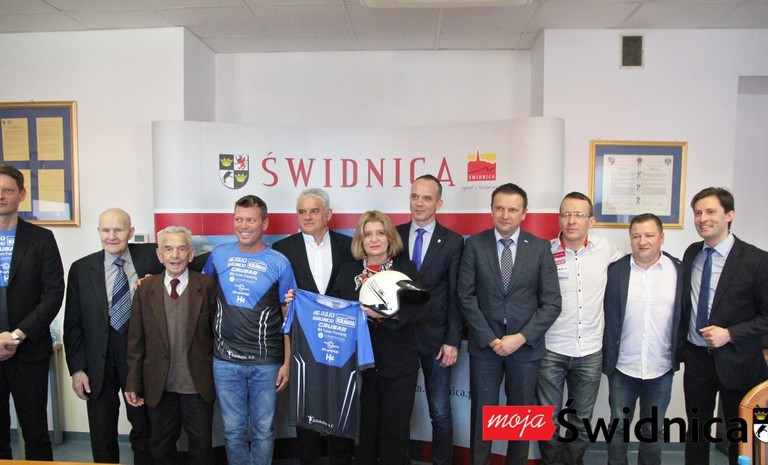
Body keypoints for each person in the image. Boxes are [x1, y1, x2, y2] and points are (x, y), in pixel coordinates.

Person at [458, 182, 561, 465]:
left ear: (524, 213)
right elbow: (465, 296)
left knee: (520, 419)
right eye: (499, 208)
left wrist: (520, 337)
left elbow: (552, 303)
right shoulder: (474, 245)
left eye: (513, 210)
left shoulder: (540, 248)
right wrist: (491, 338)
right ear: (491, 210)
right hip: (486, 347)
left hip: (525, 349)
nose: (505, 215)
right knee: (483, 418)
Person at [202, 194, 296, 465]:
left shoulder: (280, 263)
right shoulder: (218, 255)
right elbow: (199, 291)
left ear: (264, 224)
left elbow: (288, 315)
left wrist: (287, 362)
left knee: (263, 431)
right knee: (232, 431)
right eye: (239, 219)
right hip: (225, 361)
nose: (243, 226)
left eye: (251, 220)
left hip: (266, 364)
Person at [64, 207, 161, 464]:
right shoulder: (81, 269)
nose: (112, 236)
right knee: (102, 430)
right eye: (105, 230)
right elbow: (72, 324)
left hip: (138, 357)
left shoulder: (152, 257)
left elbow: (185, 260)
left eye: (118, 229)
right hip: (98, 360)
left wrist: (155, 282)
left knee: (143, 427)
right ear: (98, 232)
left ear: (130, 232)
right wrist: (77, 369)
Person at [680, 187, 768, 465]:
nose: (702, 218)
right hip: (697, 360)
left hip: (739, 361)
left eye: (710, 211)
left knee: (738, 434)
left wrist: (730, 333)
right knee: (696, 431)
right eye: (697, 213)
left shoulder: (757, 260)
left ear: (729, 215)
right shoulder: (692, 253)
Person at [330, 210, 424, 465]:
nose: (374, 240)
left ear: (389, 237)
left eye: (380, 233)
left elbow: (420, 309)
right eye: (368, 234)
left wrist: (385, 314)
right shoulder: (347, 271)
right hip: (360, 367)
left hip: (399, 364)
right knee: (364, 434)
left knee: (395, 433)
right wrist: (297, 299)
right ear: (360, 239)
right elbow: (334, 310)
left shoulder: (405, 268)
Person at [537, 192, 623, 465]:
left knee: (581, 421)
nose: (572, 220)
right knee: (547, 419)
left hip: (590, 351)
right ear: (559, 218)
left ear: (591, 221)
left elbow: (634, 266)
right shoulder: (544, 252)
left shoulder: (605, 249)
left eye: (579, 215)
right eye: (566, 214)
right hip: (551, 349)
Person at [272, 188, 356, 465]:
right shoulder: (283, 249)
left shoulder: (349, 247)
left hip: (341, 342)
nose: (307, 216)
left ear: (328, 214)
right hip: (302, 343)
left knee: (340, 404)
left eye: (314, 211)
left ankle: (341, 460)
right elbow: (278, 300)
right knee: (305, 408)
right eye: (302, 211)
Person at [125, 226, 217, 465]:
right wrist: (132, 382)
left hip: (197, 385)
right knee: (161, 447)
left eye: (181, 248)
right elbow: (136, 342)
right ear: (159, 255)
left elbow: (217, 335)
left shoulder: (208, 286)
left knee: (201, 448)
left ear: (190, 254)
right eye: (168, 249)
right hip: (159, 386)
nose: (175, 255)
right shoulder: (145, 289)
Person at [603, 213, 682, 465]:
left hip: (660, 368)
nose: (642, 241)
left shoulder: (678, 270)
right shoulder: (615, 270)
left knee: (653, 430)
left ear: (662, 238)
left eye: (649, 235)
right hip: (623, 367)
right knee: (618, 427)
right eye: (636, 236)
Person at [396, 174, 463, 465]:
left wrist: (452, 340)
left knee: (440, 411)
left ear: (439, 203)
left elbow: (456, 295)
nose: (419, 203)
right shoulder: (394, 235)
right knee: (399, 409)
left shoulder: (453, 241)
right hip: (399, 336)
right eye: (415, 196)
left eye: (426, 198)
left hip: (436, 339)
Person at [0, 164, 65, 460]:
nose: (1, 196)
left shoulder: (41, 239)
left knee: (36, 432)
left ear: (22, 194)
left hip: (29, 350)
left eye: (8, 190)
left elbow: (53, 294)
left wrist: (17, 335)